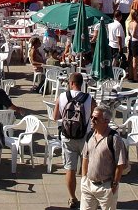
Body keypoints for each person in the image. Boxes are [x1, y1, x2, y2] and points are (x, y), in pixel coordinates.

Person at [53, 72, 96, 209]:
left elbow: (55, 117)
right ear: (81, 84)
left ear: (71, 83)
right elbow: (95, 117)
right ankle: (87, 197)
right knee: (86, 169)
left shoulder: (62, 96)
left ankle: (72, 198)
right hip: (85, 137)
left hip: (67, 136)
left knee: (70, 169)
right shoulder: (89, 98)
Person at [80, 105, 128, 210]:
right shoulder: (90, 135)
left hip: (106, 186)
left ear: (106, 121)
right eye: (91, 117)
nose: (92, 120)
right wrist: (84, 179)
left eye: (95, 118)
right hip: (88, 184)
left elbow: (120, 164)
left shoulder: (114, 139)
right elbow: (85, 157)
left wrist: (114, 185)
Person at [126, 9, 138, 82]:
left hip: (131, 42)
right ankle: (135, 77)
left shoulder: (130, 23)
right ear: (135, 16)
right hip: (136, 43)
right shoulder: (135, 24)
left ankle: (131, 75)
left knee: (131, 60)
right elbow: (133, 34)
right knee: (135, 61)